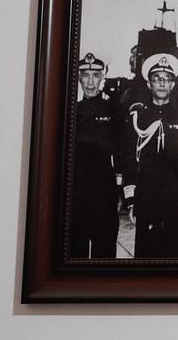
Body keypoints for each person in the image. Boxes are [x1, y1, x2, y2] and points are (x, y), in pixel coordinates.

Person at [122, 53, 178, 258]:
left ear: (173, 84)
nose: (162, 83)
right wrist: (132, 201)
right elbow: (129, 160)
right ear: (149, 84)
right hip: (146, 198)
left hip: (176, 198)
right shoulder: (137, 118)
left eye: (167, 79)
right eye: (157, 78)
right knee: (146, 256)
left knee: (175, 255)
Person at [71, 52, 120, 258]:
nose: (90, 82)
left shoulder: (114, 111)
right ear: (79, 78)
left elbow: (121, 153)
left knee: (104, 254)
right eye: (85, 75)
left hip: (104, 194)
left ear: (102, 78)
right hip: (75, 195)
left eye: (96, 75)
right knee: (74, 254)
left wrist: (119, 191)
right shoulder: (71, 111)